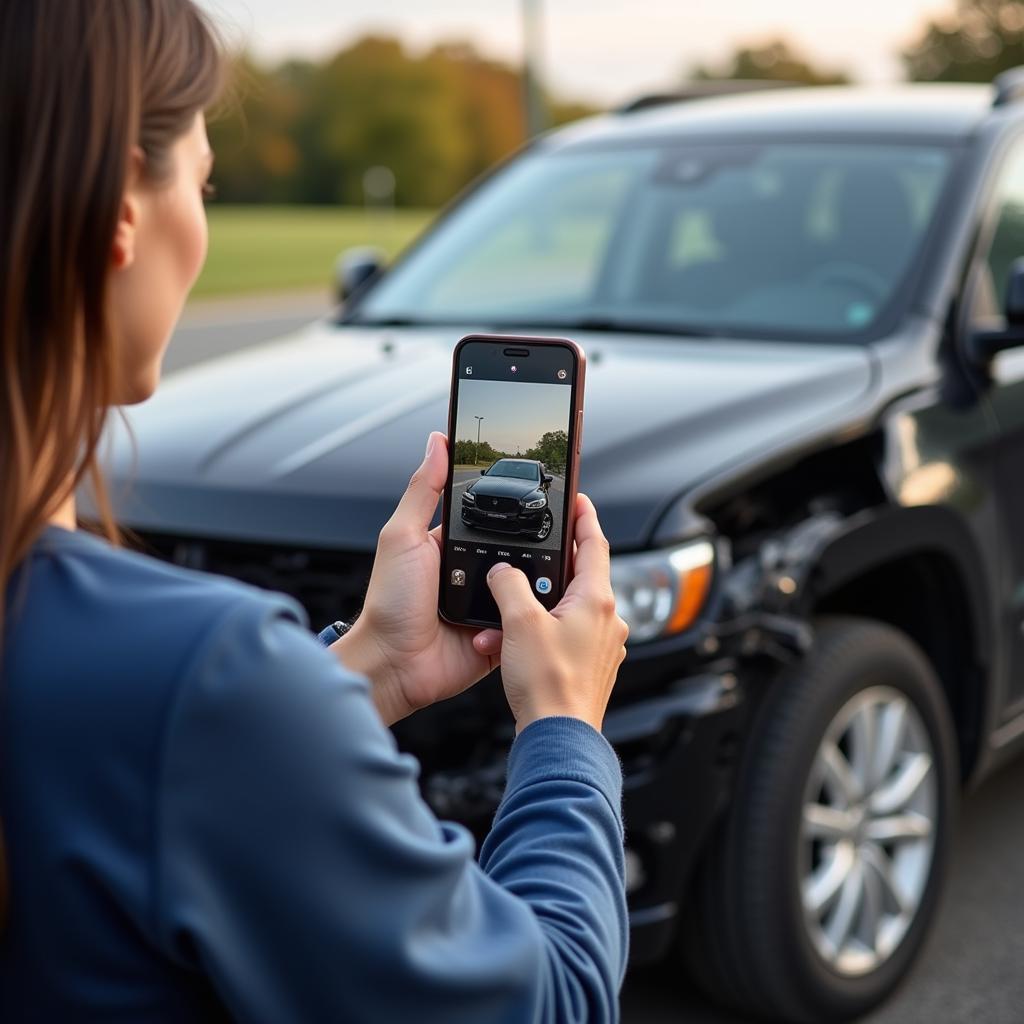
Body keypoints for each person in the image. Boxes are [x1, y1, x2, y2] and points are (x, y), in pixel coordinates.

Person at [0, 1, 631, 1021]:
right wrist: (563, 728)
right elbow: (550, 999)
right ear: (123, 207)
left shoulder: (170, 683)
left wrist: (363, 670)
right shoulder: (200, 675)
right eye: (203, 185)